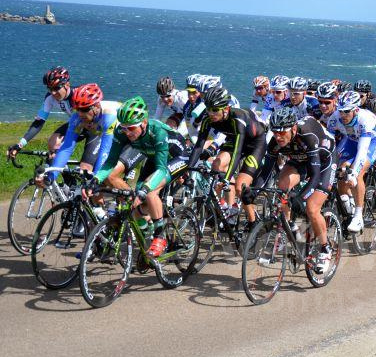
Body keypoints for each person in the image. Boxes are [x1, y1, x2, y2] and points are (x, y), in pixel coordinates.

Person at [84, 96, 188, 257]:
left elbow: (161, 169)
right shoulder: (122, 132)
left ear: (144, 122)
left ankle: (160, 236)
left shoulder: (158, 132)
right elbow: (110, 162)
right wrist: (94, 180)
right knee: (137, 201)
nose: (127, 132)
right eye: (124, 128)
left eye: (131, 128)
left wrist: (146, 189)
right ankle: (147, 228)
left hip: (177, 157)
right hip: (155, 156)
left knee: (150, 190)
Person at [260, 107, 337, 273]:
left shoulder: (308, 136)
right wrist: (254, 190)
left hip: (323, 164)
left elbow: (315, 175)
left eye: (282, 132)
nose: (278, 136)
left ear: (293, 128)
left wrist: (301, 197)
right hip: (300, 160)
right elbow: (266, 171)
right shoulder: (275, 142)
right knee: (281, 187)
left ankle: (325, 249)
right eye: (274, 132)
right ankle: (290, 228)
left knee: (311, 208)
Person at [186, 86, 267, 226]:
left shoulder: (238, 119)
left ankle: (252, 223)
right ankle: (228, 208)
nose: (211, 113)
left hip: (255, 144)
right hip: (234, 140)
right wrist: (189, 169)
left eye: (215, 110)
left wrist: (228, 178)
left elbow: (237, 152)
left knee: (241, 186)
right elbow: (199, 145)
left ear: (226, 108)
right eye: (208, 109)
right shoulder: (207, 119)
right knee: (216, 165)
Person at [37, 83, 120, 185]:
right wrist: (51, 177)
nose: (81, 114)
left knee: (107, 178)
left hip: (130, 138)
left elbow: (105, 151)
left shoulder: (109, 116)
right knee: (91, 182)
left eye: (84, 109)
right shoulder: (76, 118)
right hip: (104, 133)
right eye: (78, 109)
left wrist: (96, 180)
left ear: (97, 106)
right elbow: (66, 148)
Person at [327, 91, 376, 232]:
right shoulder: (334, 118)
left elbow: (362, 151)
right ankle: (348, 205)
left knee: (356, 174)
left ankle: (358, 216)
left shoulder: (365, 120)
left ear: (356, 110)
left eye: (346, 112)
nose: (342, 115)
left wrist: (353, 171)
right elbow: (328, 146)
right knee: (339, 172)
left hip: (372, 141)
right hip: (351, 140)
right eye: (340, 111)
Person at [8, 67, 79, 162]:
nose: (53, 93)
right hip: (76, 123)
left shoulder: (78, 94)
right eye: (50, 89)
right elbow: (38, 123)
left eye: (56, 88)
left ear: (67, 84)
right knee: (52, 145)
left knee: (90, 167)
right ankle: (62, 174)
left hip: (93, 125)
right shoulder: (50, 98)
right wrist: (20, 145)